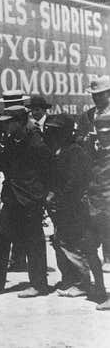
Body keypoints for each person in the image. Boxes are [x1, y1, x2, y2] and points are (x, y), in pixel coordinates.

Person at [0, 92, 50, 298]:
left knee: (34, 241)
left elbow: (47, 173)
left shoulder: (36, 143)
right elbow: (4, 165)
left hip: (30, 199)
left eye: (9, 123)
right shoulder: (10, 141)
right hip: (12, 198)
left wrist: (40, 197)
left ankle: (39, 285)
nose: (4, 126)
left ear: (20, 122)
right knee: (1, 238)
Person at [43, 113, 105, 299]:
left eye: (56, 131)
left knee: (74, 244)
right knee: (60, 242)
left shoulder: (75, 152)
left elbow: (75, 182)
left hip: (73, 207)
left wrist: (58, 197)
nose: (51, 135)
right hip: (60, 206)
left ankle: (82, 282)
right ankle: (69, 278)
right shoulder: (59, 151)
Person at [77, 76, 110, 272]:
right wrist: (87, 140)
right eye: (94, 95)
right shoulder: (88, 116)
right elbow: (79, 138)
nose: (97, 98)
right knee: (96, 214)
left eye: (101, 95)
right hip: (94, 169)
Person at [91, 114, 110, 310]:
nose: (104, 137)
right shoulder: (97, 152)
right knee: (88, 247)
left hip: (107, 209)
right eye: (101, 134)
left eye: (108, 134)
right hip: (96, 210)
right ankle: (100, 288)